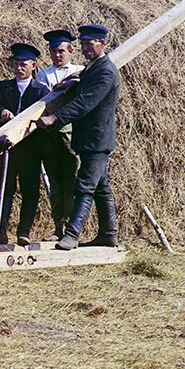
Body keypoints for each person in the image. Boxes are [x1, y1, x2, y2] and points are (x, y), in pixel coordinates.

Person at [37, 24, 120, 250]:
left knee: (84, 185)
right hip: (89, 138)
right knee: (101, 186)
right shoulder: (92, 68)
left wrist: (55, 118)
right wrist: (73, 82)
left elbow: (86, 102)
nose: (85, 48)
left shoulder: (105, 70)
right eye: (82, 44)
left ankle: (71, 234)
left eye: (89, 44)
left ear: (102, 43)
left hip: (97, 140)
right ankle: (108, 234)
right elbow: (82, 90)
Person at [0, 44, 50, 246]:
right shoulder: (4, 86)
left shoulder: (41, 91)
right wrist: (1, 111)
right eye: (16, 64)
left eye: (24, 64)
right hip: (5, 147)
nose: (19, 68)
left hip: (30, 148)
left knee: (30, 190)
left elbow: (43, 117)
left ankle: (24, 232)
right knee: (4, 188)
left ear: (33, 66)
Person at [35, 29, 84, 241]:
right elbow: (47, 101)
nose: (57, 55)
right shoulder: (43, 74)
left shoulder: (81, 70)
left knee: (72, 178)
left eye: (61, 51)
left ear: (70, 51)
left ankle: (74, 228)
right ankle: (58, 228)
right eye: (54, 51)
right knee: (55, 181)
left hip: (72, 133)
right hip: (50, 133)